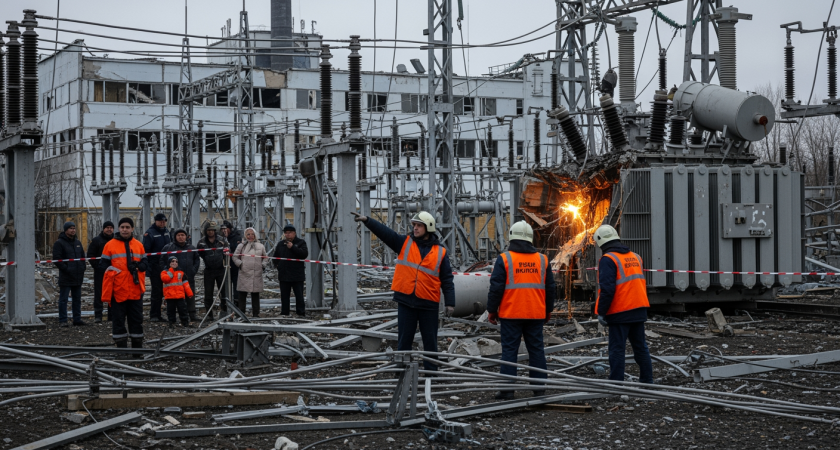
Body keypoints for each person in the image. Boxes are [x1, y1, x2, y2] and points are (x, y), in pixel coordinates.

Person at [352, 211, 455, 371]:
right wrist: (368, 221)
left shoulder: (440, 252)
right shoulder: (405, 243)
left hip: (428, 303)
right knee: (404, 340)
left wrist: (450, 302)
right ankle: (401, 371)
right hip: (406, 301)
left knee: (430, 341)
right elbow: (386, 234)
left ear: (428, 227)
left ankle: (431, 374)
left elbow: (447, 279)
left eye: (418, 225)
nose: (415, 228)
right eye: (414, 225)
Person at [486, 221, 555, 399]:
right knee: (536, 350)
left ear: (511, 237)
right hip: (535, 313)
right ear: (530, 238)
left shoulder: (505, 259)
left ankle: (507, 390)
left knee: (509, 351)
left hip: (511, 314)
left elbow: (496, 288)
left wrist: (492, 310)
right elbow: (551, 288)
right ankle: (539, 389)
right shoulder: (542, 259)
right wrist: (548, 310)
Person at [594, 224, 653, 384]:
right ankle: (647, 381)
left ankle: (616, 383)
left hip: (620, 311)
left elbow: (607, 289)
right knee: (640, 347)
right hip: (639, 308)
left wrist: (601, 312)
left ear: (600, 242)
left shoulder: (608, 259)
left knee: (617, 349)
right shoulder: (636, 256)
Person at [100, 217, 148, 352]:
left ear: (132, 229)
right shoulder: (110, 245)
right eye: (122, 227)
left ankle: (137, 351)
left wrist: (139, 265)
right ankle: (121, 351)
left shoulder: (139, 245)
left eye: (127, 227)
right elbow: (102, 265)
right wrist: (112, 271)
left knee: (137, 320)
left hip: (135, 290)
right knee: (118, 321)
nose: (125, 229)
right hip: (118, 291)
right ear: (118, 229)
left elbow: (145, 263)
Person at [53, 221, 88, 327]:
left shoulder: (77, 243)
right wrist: (67, 269)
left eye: (74, 228)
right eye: (71, 228)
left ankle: (77, 319)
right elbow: (57, 259)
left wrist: (82, 267)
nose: (73, 230)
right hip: (66, 276)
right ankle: (63, 320)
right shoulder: (59, 243)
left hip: (77, 276)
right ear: (65, 230)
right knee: (63, 299)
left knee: (77, 299)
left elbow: (82, 257)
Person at [161, 229, 201, 321]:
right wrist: (167, 271)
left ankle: (192, 314)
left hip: (188, 276)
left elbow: (197, 260)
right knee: (175, 297)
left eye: (183, 235)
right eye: (178, 235)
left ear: (186, 236)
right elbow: (162, 260)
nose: (181, 237)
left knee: (190, 295)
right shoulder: (169, 248)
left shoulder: (191, 248)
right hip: (174, 279)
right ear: (175, 237)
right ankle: (176, 317)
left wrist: (193, 270)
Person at [232, 227, 269, 318]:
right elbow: (234, 257)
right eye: (248, 234)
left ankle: (256, 314)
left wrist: (263, 265)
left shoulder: (260, 246)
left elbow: (265, 257)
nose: (250, 236)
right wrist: (240, 264)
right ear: (245, 235)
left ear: (255, 235)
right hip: (244, 273)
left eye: (252, 234)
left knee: (255, 295)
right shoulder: (241, 246)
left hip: (256, 274)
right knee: (242, 294)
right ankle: (241, 314)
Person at [272, 224, 308, 316]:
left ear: (294, 233)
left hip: (297, 275)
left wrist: (292, 247)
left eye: (290, 233)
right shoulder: (281, 244)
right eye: (286, 233)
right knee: (284, 296)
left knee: (299, 296)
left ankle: (300, 312)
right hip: (284, 274)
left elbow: (304, 254)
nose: (288, 235)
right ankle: (285, 312)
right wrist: (277, 265)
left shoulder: (300, 243)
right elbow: (275, 256)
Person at [197, 221, 230, 320]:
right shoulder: (202, 242)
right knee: (208, 294)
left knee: (223, 293)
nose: (211, 232)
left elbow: (228, 252)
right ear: (205, 231)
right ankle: (209, 314)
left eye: (212, 230)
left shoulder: (222, 240)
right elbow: (200, 254)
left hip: (221, 270)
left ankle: (224, 312)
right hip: (209, 270)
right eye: (209, 230)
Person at [142, 213, 171, 322]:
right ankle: (154, 314)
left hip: (166, 265)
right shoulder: (150, 233)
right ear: (155, 221)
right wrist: (149, 267)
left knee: (167, 290)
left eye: (164, 221)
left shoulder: (167, 232)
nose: (162, 223)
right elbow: (146, 251)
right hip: (155, 266)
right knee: (157, 291)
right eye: (160, 221)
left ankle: (162, 314)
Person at [87, 221, 114, 323]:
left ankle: (111, 315)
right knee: (99, 293)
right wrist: (97, 267)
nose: (109, 229)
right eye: (107, 227)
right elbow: (90, 255)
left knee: (112, 293)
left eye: (111, 227)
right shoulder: (96, 241)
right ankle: (98, 315)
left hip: (113, 272)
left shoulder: (115, 240)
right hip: (100, 272)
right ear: (103, 229)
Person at [161, 256, 193, 327]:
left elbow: (185, 284)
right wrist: (171, 271)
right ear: (169, 263)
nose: (174, 263)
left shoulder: (181, 272)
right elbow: (166, 279)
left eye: (176, 261)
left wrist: (189, 293)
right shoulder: (164, 272)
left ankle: (185, 322)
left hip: (179, 296)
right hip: (170, 296)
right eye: (172, 261)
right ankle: (172, 323)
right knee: (170, 311)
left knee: (183, 310)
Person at [221, 220, 243, 291]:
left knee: (236, 282)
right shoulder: (221, 239)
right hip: (224, 264)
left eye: (225, 229)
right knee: (226, 283)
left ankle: (236, 299)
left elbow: (238, 250)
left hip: (234, 264)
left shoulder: (236, 237)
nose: (224, 231)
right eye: (222, 229)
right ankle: (226, 298)